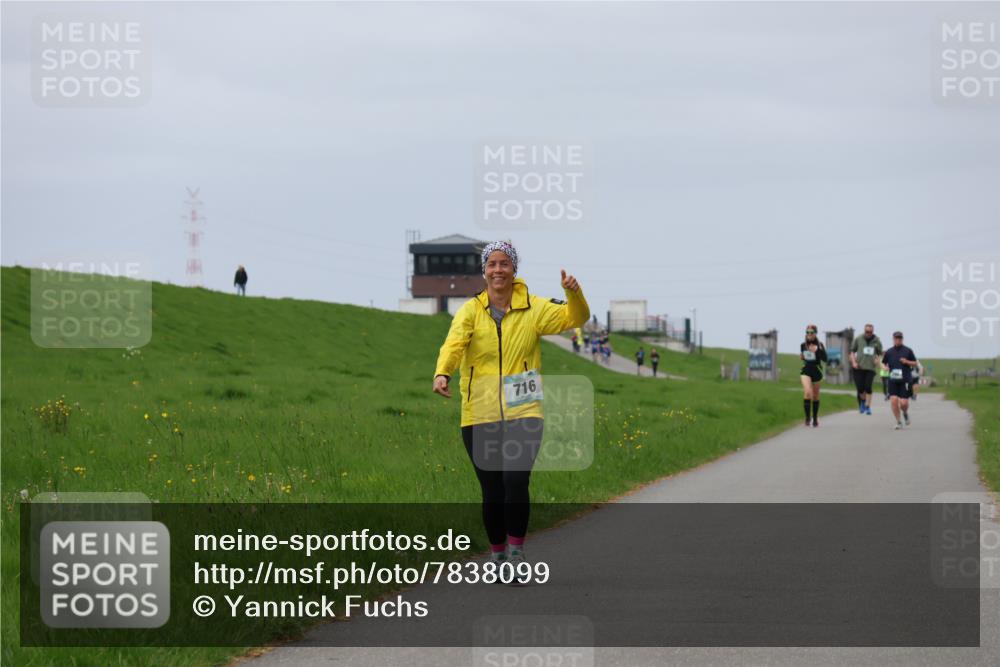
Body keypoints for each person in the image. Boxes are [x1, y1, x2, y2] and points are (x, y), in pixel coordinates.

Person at [432, 240, 589, 584]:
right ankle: (497, 555)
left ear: (514, 269)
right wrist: (443, 371)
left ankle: (517, 554)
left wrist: (574, 294)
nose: (498, 269)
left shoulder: (533, 308)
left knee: (515, 480)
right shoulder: (471, 311)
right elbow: (454, 343)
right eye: (492, 264)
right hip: (480, 412)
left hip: (524, 410)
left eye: (505, 263)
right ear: (484, 270)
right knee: (492, 490)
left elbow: (574, 318)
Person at [881, 331, 918, 430]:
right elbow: (883, 363)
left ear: (902, 339)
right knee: (893, 400)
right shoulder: (889, 352)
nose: (898, 340)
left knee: (904, 403)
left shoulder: (908, 351)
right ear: (893, 339)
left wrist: (906, 361)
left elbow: (915, 363)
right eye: (896, 338)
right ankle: (898, 422)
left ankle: (905, 413)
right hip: (893, 379)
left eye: (900, 338)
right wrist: (884, 368)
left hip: (905, 380)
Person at [850, 323, 883, 416]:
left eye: (870, 332)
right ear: (864, 331)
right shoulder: (858, 338)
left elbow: (880, 353)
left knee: (868, 387)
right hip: (858, 367)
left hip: (870, 368)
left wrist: (878, 359)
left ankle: (868, 407)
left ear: (873, 332)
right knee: (860, 388)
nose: (868, 333)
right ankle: (862, 402)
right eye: (866, 331)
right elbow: (852, 351)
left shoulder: (877, 341)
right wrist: (853, 362)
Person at [799, 324, 827, 427]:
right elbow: (804, 356)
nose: (809, 334)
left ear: (815, 334)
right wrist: (802, 357)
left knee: (815, 396)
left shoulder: (820, 345)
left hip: (817, 371)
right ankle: (807, 418)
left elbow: (825, 359)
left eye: (811, 332)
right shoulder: (803, 345)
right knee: (807, 392)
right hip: (806, 370)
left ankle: (815, 418)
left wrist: (817, 351)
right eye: (807, 332)